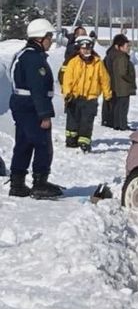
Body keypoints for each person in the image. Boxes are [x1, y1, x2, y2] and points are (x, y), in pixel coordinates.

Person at [8, 19, 64, 198]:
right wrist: (45, 115)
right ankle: (40, 182)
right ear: (40, 38)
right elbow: (37, 88)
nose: (51, 41)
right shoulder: (33, 59)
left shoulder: (24, 54)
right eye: (49, 37)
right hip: (32, 107)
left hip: (22, 105)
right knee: (42, 144)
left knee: (24, 143)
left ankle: (17, 182)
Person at [61, 37, 112, 153]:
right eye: (83, 49)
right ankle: (71, 140)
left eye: (88, 48)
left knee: (86, 122)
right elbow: (67, 79)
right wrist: (67, 93)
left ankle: (84, 142)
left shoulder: (98, 63)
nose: (86, 51)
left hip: (90, 98)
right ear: (79, 49)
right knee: (72, 120)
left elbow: (105, 79)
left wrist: (107, 95)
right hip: (74, 97)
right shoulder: (73, 62)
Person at [102, 34, 136, 130]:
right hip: (122, 86)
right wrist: (130, 79)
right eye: (126, 46)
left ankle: (114, 123)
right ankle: (122, 125)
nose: (128, 48)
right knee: (122, 107)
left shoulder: (111, 54)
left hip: (114, 85)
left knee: (116, 106)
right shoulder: (121, 57)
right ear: (118, 46)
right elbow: (122, 72)